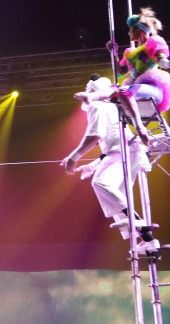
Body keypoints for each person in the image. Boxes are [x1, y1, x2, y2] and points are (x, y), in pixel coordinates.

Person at [61, 74, 158, 253]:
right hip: (128, 150)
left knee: (101, 183)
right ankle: (148, 240)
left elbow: (95, 136)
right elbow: (111, 140)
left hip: (123, 151)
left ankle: (138, 224)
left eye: (87, 88)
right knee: (116, 197)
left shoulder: (97, 105)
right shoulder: (109, 106)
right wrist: (93, 165)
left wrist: (73, 157)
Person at [76, 7, 170, 144]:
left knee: (123, 91)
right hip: (136, 88)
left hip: (154, 87)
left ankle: (140, 128)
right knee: (115, 94)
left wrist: (163, 60)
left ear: (138, 30)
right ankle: (98, 118)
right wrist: (113, 53)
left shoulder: (153, 42)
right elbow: (120, 71)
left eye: (130, 29)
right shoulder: (130, 52)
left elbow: (160, 55)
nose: (128, 32)